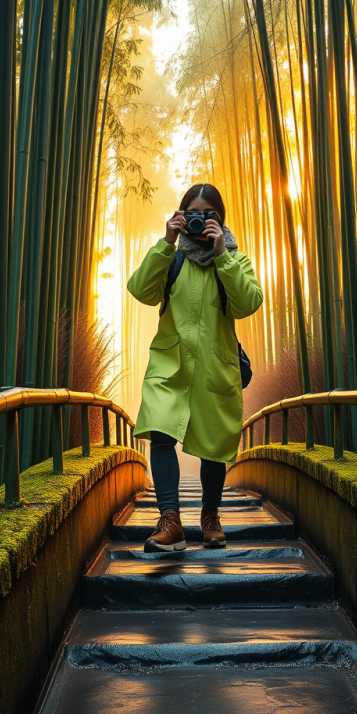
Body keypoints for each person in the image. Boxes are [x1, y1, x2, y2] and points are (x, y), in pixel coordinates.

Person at [127, 183, 264, 553]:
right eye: (193, 213)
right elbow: (140, 289)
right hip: (169, 364)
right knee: (159, 432)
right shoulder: (171, 258)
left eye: (209, 213)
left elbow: (249, 302)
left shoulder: (236, 259)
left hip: (214, 369)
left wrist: (222, 255)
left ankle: (210, 517)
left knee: (214, 447)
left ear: (220, 218)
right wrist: (165, 242)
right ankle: (170, 521)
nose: (201, 219)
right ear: (181, 215)